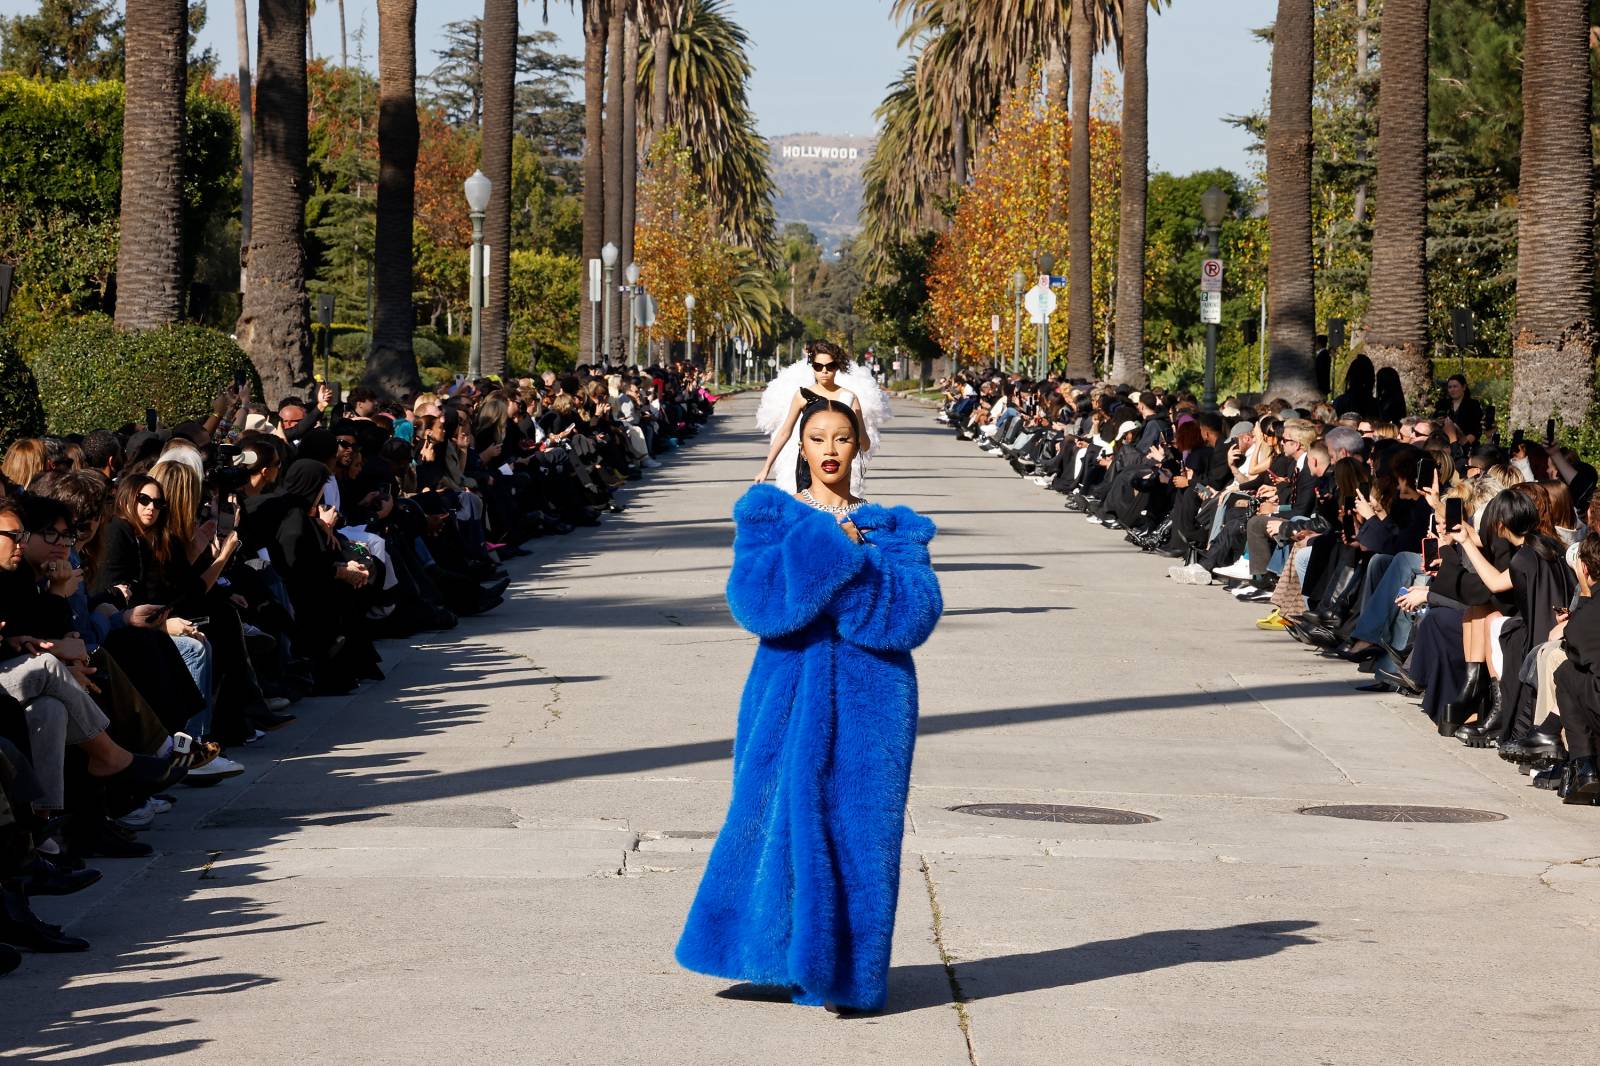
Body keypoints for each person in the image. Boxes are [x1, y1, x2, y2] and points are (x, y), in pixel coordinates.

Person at [677, 395, 943, 1013]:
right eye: (817, 437)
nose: (829, 449)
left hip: (875, 697)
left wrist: (847, 564)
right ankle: (770, 958)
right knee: (771, 818)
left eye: (842, 439)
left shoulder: (897, 530)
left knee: (862, 831)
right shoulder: (770, 516)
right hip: (785, 689)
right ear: (799, 445)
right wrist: (838, 554)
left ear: (860, 447)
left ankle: (850, 977)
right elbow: (762, 607)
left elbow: (908, 618)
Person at [754, 340, 890, 495]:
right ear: (812, 368)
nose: (824, 371)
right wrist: (766, 468)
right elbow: (785, 432)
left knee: (838, 510)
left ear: (837, 367)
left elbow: (864, 443)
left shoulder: (849, 397)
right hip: (809, 464)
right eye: (818, 366)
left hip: (839, 464)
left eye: (830, 366)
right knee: (808, 510)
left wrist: (853, 431)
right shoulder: (802, 396)